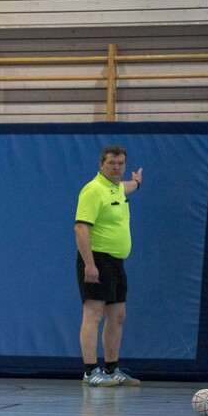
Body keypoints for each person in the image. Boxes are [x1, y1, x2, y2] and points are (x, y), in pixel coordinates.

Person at [74, 145, 145, 387]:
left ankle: (111, 370)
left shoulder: (117, 188)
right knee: (93, 314)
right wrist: (89, 264)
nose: (116, 168)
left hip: (116, 262)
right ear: (101, 165)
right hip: (97, 259)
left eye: (120, 163)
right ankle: (90, 372)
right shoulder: (93, 190)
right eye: (111, 163)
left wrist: (137, 182)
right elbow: (80, 228)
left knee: (118, 315)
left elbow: (126, 186)